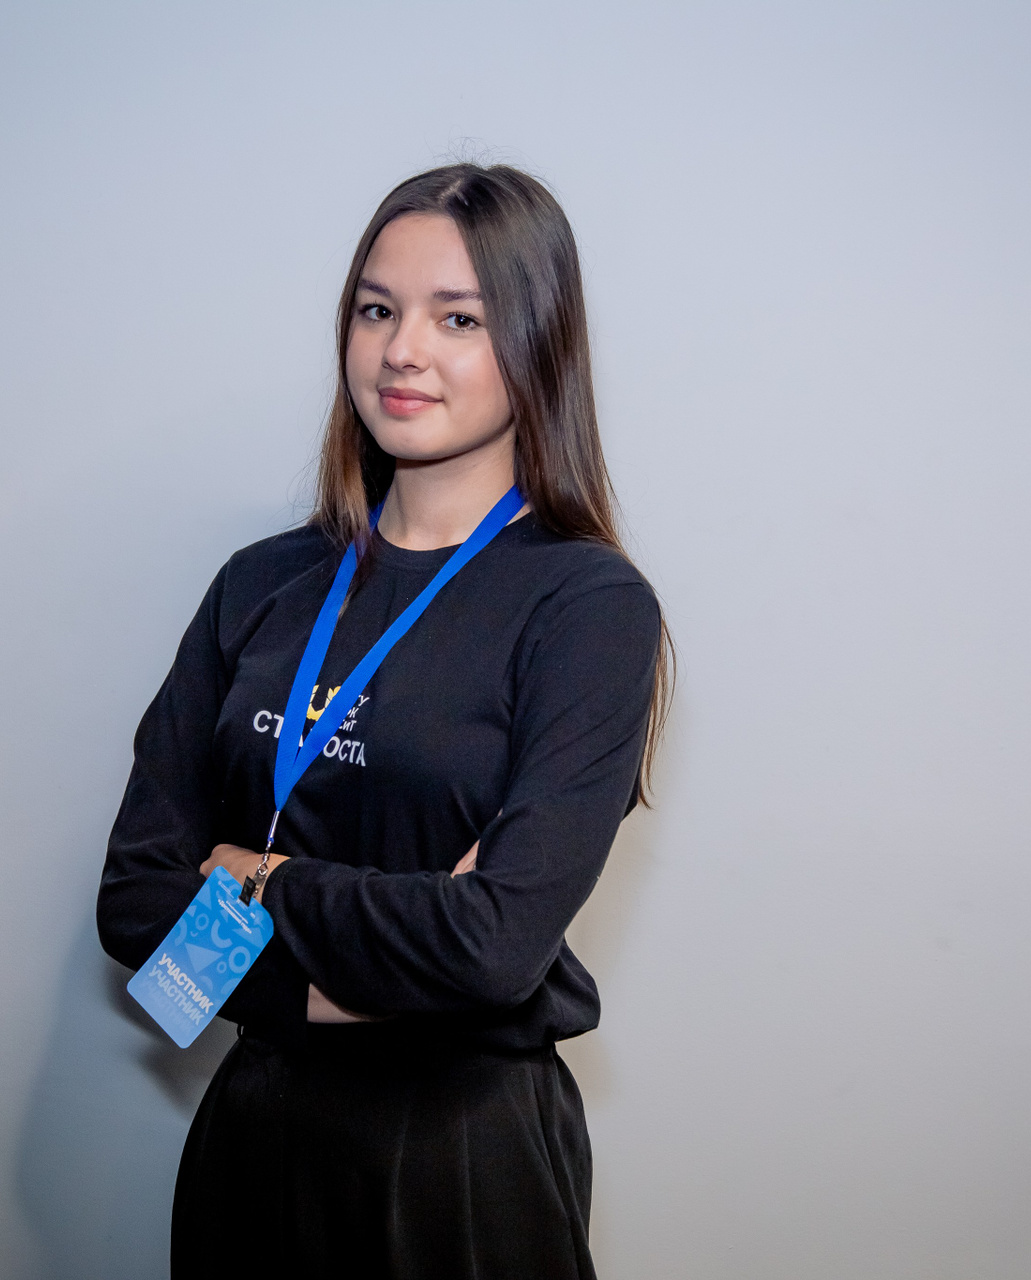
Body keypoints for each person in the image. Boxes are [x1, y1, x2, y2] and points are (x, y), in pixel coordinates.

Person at [95, 162, 671, 1280]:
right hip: (254, 1135)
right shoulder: (260, 584)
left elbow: (495, 945)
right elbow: (133, 899)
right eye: (376, 309)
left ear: (538, 342)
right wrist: (345, 986)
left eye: (459, 318)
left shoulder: (587, 606)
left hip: (459, 1157)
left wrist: (262, 878)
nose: (402, 350)